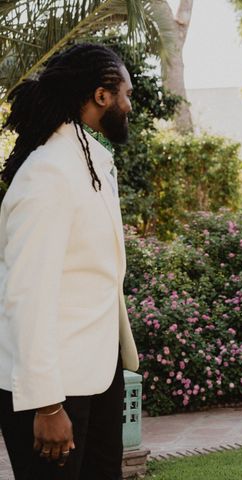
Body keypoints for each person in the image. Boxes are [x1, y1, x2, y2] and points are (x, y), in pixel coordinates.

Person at [0, 43, 139, 479]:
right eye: (127, 95)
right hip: (54, 392)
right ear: (102, 96)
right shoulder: (49, 173)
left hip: (98, 376)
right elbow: (25, 294)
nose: (130, 105)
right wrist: (47, 403)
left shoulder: (91, 164)